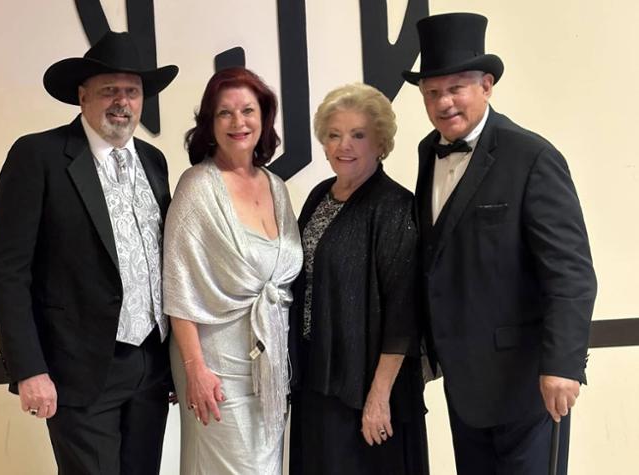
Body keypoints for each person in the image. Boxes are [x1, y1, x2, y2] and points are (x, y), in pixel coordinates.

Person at [402, 12, 597, 474]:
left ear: (486, 85)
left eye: (456, 88)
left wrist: (563, 366)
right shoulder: (429, 153)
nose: (443, 102)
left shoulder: (531, 157)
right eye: (432, 93)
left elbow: (571, 272)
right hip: (464, 386)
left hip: (527, 385)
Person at [0, 31, 178, 474]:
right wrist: (28, 368)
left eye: (132, 91)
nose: (122, 102)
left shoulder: (154, 161)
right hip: (80, 368)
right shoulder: (38, 156)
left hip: (150, 366)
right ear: (82, 95)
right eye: (109, 90)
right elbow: (6, 270)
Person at [162, 66, 302, 475]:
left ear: (264, 117)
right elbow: (178, 285)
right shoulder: (198, 186)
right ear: (210, 123)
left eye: (248, 110)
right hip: (215, 367)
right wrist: (195, 371)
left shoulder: (276, 186)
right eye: (225, 113)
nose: (238, 122)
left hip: (270, 368)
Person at [288, 83, 429, 475]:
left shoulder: (394, 206)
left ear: (381, 143)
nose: (343, 145)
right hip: (317, 376)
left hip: (365, 389)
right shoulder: (319, 195)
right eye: (334, 135)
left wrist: (379, 397)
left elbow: (403, 312)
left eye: (358, 135)